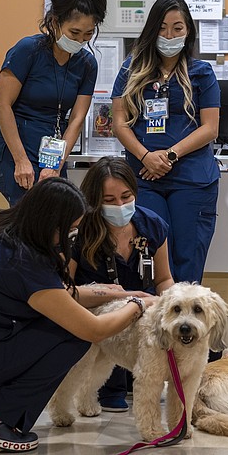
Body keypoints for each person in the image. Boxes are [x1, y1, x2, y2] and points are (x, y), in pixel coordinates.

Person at [0, 178, 158, 453]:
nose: (72, 238)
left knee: (50, 320)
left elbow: (58, 294)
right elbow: (94, 330)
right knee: (71, 335)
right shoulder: (24, 260)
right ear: (52, 225)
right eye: (71, 230)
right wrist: (138, 304)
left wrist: (115, 294)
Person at [111, 0, 221, 287]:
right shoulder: (130, 68)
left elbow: (210, 128)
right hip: (144, 177)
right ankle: (154, 328)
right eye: (161, 28)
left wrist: (169, 155)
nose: (169, 35)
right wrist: (146, 156)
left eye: (177, 28)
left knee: (187, 260)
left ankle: (189, 331)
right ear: (150, 29)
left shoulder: (202, 72)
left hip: (192, 178)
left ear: (188, 31)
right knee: (151, 259)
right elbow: (118, 123)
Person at [70, 156, 174, 412]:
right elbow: (64, 290)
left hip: (141, 309)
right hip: (93, 310)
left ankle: (131, 379)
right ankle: (106, 387)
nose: (120, 205)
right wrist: (108, 294)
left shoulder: (152, 225)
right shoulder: (79, 231)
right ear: (94, 201)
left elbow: (163, 279)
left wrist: (173, 303)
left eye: (126, 197)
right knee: (101, 363)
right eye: (109, 200)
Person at [0, 0, 107, 205]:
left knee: (56, 222)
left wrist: (56, 165)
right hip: (17, 149)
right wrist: (21, 160)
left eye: (88, 34)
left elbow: (77, 119)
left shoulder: (88, 64)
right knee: (28, 222)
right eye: (74, 32)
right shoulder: (28, 50)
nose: (80, 40)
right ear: (55, 21)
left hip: (53, 154)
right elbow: (2, 106)